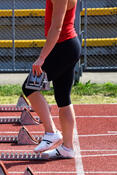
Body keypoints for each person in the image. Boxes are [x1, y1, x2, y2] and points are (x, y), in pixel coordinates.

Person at [22, 0, 81, 159]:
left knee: (29, 88)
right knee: (63, 99)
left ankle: (51, 132)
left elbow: (57, 27)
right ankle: (67, 147)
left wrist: (42, 58)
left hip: (64, 46)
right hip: (67, 46)